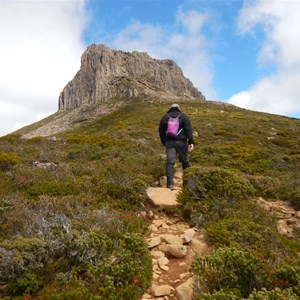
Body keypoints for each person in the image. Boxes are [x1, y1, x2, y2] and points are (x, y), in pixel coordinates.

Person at [159, 103, 194, 190]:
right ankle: (187, 184)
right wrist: (191, 142)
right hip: (182, 142)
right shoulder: (183, 116)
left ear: (170, 108)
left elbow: (161, 131)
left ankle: (170, 184)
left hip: (170, 142)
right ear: (179, 109)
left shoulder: (165, 117)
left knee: (170, 162)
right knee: (185, 161)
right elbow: (188, 129)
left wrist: (164, 142)